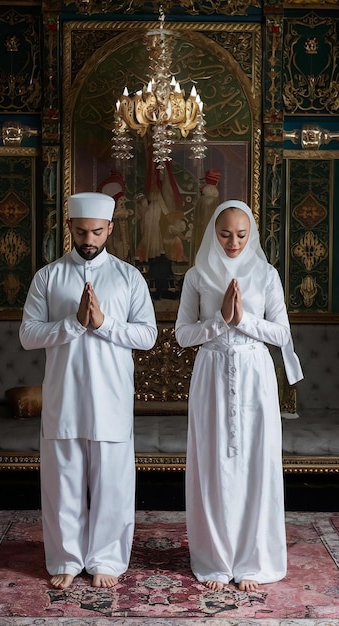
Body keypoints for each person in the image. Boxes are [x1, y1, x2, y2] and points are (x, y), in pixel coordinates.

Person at [19, 192, 157, 590]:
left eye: (96, 231)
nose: (88, 239)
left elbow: (147, 336)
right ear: (69, 228)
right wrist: (74, 323)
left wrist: (102, 323)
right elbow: (28, 334)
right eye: (81, 231)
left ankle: (107, 560)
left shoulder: (129, 277)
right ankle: (65, 558)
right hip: (63, 399)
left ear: (110, 229)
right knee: (62, 482)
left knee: (113, 483)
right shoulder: (48, 277)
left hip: (111, 399)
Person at [175, 199, 303, 593]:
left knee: (255, 465)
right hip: (211, 373)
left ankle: (251, 560)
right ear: (213, 231)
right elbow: (183, 334)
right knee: (213, 465)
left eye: (242, 235)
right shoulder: (197, 275)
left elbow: (281, 334)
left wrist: (243, 319)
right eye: (225, 234)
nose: (233, 242)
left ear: (253, 235)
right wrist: (219, 321)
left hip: (254, 375)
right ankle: (215, 560)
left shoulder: (266, 275)